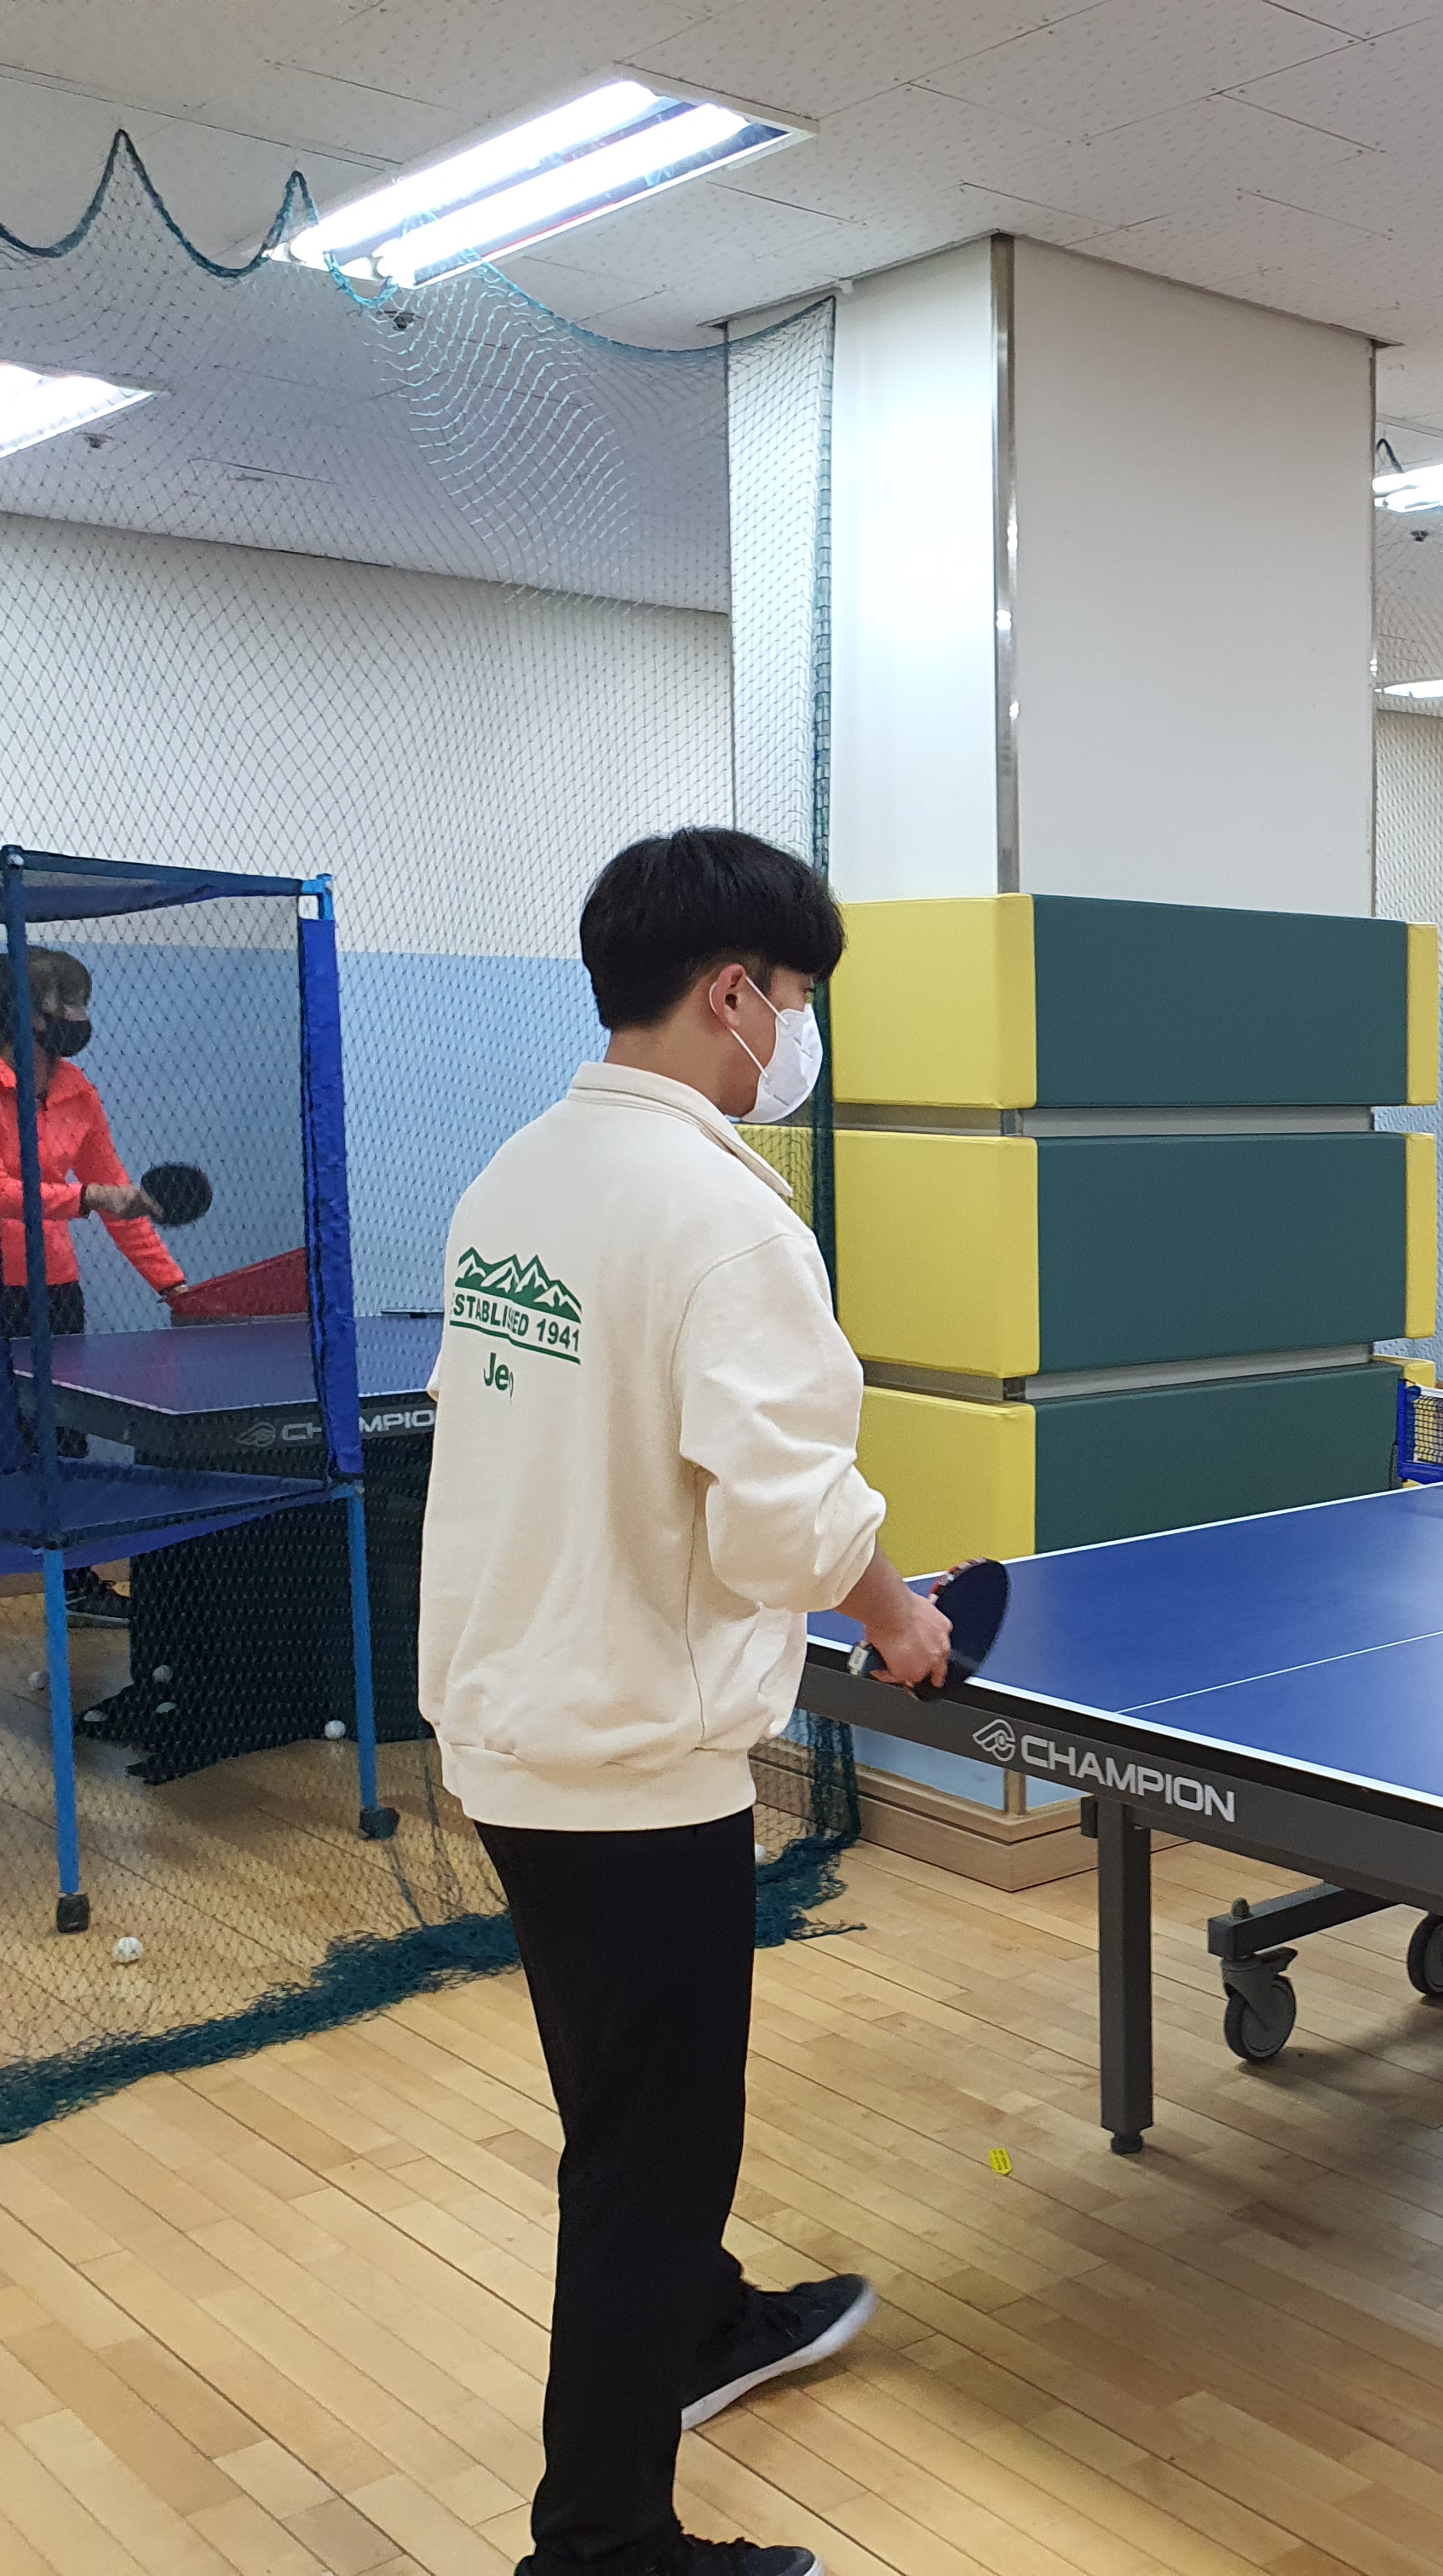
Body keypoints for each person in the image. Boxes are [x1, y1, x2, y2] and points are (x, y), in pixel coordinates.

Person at [420, 827, 951, 2576]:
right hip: (636, 1760)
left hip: (510, 1728)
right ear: (736, 993)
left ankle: (705, 2322)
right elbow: (788, 1516)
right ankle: (600, 2544)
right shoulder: (725, 1219)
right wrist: (900, 1616)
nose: (796, 1031)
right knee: (650, 2151)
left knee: (619, 2102)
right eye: (794, 995)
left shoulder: (513, 1181)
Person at [0, 946, 188, 1674]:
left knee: (65, 1444)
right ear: (21, 1012)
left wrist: (175, 1287)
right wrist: (83, 1198)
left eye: (83, 1004)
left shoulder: (79, 1093)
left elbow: (120, 1199)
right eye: (65, 1004)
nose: (80, 1018)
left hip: (54, 1293)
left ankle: (78, 1582)